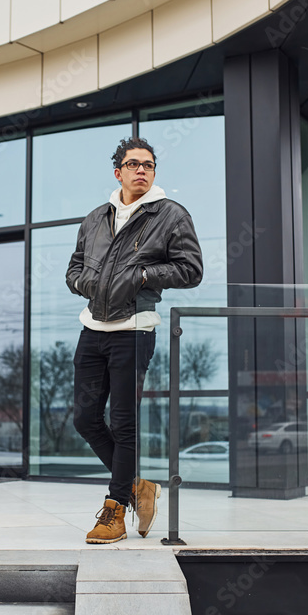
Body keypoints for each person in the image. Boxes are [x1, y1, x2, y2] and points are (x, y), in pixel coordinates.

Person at [66, 137, 203, 543]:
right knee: (85, 419)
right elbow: (74, 268)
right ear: (118, 172)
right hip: (92, 328)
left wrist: (143, 276)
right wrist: (83, 283)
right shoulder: (95, 219)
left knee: (124, 425)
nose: (142, 170)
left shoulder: (170, 215)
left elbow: (191, 269)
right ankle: (138, 488)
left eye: (149, 165)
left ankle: (113, 513)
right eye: (134, 164)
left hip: (135, 329)